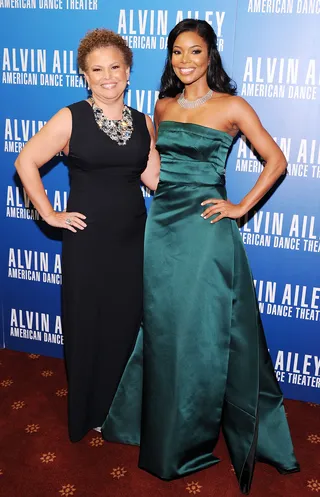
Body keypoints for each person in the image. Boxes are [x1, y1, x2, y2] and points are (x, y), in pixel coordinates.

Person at [101, 19, 300, 494]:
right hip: (162, 227)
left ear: (211, 55)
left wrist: (239, 207)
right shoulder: (163, 105)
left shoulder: (231, 106)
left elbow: (277, 160)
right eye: (176, 52)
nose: (184, 61)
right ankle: (159, 427)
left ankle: (187, 442)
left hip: (207, 230)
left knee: (202, 333)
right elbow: (155, 168)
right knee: (164, 328)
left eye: (194, 51)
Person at [14, 28, 160, 443]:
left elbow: (155, 180)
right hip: (88, 241)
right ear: (85, 75)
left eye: (115, 67)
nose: (107, 76)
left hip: (134, 238)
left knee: (126, 322)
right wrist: (50, 215)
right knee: (87, 321)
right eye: (97, 69)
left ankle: (119, 408)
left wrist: (199, 191)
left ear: (128, 71)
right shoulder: (70, 117)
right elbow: (26, 161)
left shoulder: (144, 123)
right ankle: (88, 410)